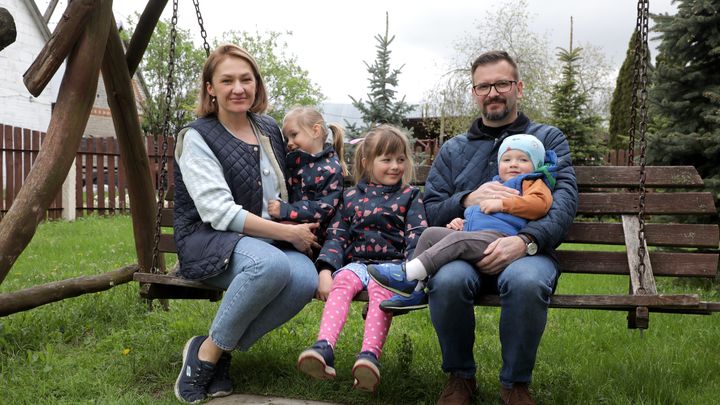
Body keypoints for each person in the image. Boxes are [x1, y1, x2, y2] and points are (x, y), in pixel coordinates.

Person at [420, 51, 578, 405]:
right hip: (464, 251)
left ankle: (515, 384)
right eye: (484, 86)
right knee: (447, 281)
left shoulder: (548, 140)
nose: (493, 92)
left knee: (525, 281)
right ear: (474, 92)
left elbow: (564, 201)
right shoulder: (454, 150)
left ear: (518, 88)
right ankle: (460, 378)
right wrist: (466, 199)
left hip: (527, 252)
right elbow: (431, 208)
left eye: (502, 84)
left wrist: (526, 241)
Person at [172, 44, 321, 404]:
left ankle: (215, 347)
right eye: (227, 80)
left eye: (245, 79)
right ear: (211, 88)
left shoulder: (268, 127)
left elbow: (303, 173)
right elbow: (218, 213)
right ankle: (208, 358)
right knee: (269, 267)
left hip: (266, 239)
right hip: (209, 239)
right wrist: (288, 232)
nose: (238, 88)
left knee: (304, 278)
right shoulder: (197, 136)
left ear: (256, 84)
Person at [295, 125, 428, 393]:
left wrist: (412, 274)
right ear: (367, 162)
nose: (395, 166)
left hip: (392, 270)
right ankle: (324, 347)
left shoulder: (410, 196)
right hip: (356, 265)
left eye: (401, 160)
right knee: (343, 279)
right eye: (387, 160)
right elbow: (337, 236)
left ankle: (369, 358)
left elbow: (417, 236)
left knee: (380, 291)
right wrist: (325, 271)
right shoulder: (351, 197)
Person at [368, 134, 558, 314]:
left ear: (536, 164)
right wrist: (463, 222)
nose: (513, 164)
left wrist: (502, 203)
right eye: (507, 160)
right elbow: (483, 212)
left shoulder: (532, 182)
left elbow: (539, 205)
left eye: (523, 160)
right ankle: (416, 290)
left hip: (501, 238)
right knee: (430, 234)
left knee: (460, 240)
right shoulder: (496, 183)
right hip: (476, 234)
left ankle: (408, 273)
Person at [267, 106, 347, 251]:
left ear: (315, 131)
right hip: (290, 232)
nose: (289, 142)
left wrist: (286, 210)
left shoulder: (330, 169)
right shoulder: (294, 162)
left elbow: (324, 208)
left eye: (294, 134)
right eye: (286, 138)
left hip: (315, 240)